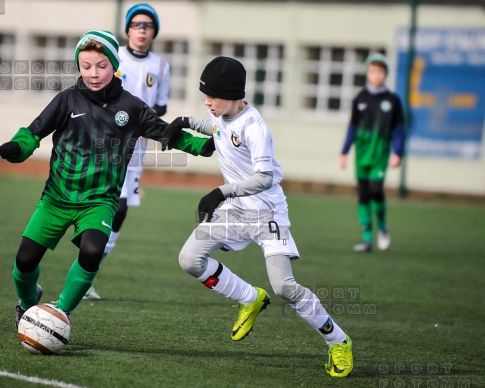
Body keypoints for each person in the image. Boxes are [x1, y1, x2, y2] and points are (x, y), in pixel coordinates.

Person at [0, 30, 214, 330]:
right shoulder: (66, 100)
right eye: (85, 66)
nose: (93, 73)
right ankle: (27, 302)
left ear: (114, 65)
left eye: (101, 65)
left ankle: (61, 313)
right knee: (24, 262)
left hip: (100, 201)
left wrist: (202, 146)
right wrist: (17, 148)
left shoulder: (132, 106)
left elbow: (166, 133)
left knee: (91, 251)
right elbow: (34, 131)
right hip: (56, 198)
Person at [163, 56, 354, 378]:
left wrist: (220, 192)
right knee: (189, 259)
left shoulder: (255, 127)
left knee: (285, 287)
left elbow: (266, 177)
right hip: (237, 211)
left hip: (267, 214)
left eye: (213, 96)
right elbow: (211, 126)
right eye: (204, 96)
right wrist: (181, 120)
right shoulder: (222, 115)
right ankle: (249, 298)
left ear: (235, 95)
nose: (207, 102)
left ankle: (338, 341)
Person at [84, 3, 170, 300]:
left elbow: (160, 106)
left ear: (154, 32)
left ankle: (87, 274)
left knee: (118, 212)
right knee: (103, 207)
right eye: (137, 25)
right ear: (128, 29)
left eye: (148, 25)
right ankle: (82, 270)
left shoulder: (161, 66)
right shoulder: (114, 56)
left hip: (135, 150)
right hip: (103, 142)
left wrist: (144, 121)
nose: (142, 30)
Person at [339, 53, 405, 253]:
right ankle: (367, 238)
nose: (376, 75)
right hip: (362, 154)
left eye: (380, 72)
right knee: (363, 195)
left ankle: (383, 228)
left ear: (386, 74)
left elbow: (399, 129)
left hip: (380, 153)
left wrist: (397, 152)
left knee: (376, 190)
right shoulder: (360, 98)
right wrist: (344, 152)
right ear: (368, 74)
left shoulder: (393, 101)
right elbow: (352, 127)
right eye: (373, 71)